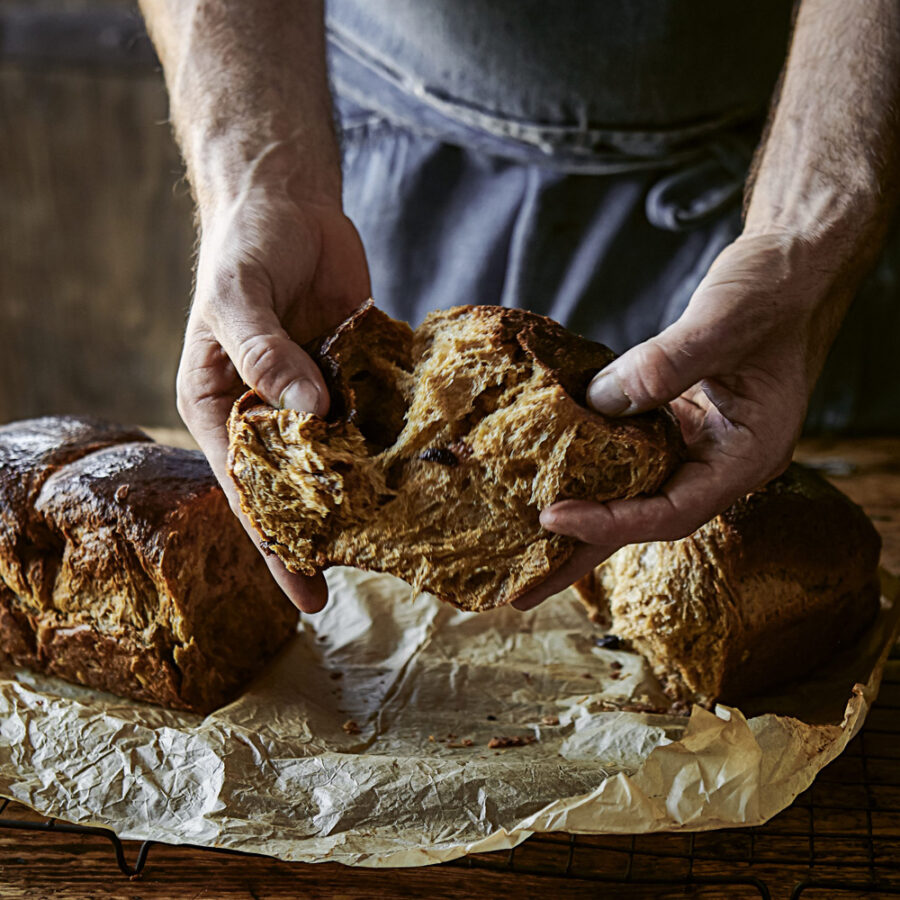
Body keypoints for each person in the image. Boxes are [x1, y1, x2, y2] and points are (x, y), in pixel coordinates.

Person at [138, 0, 900, 614]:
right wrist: (259, 182)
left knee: (772, 522)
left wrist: (809, 235)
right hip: (370, 160)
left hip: (802, 151)